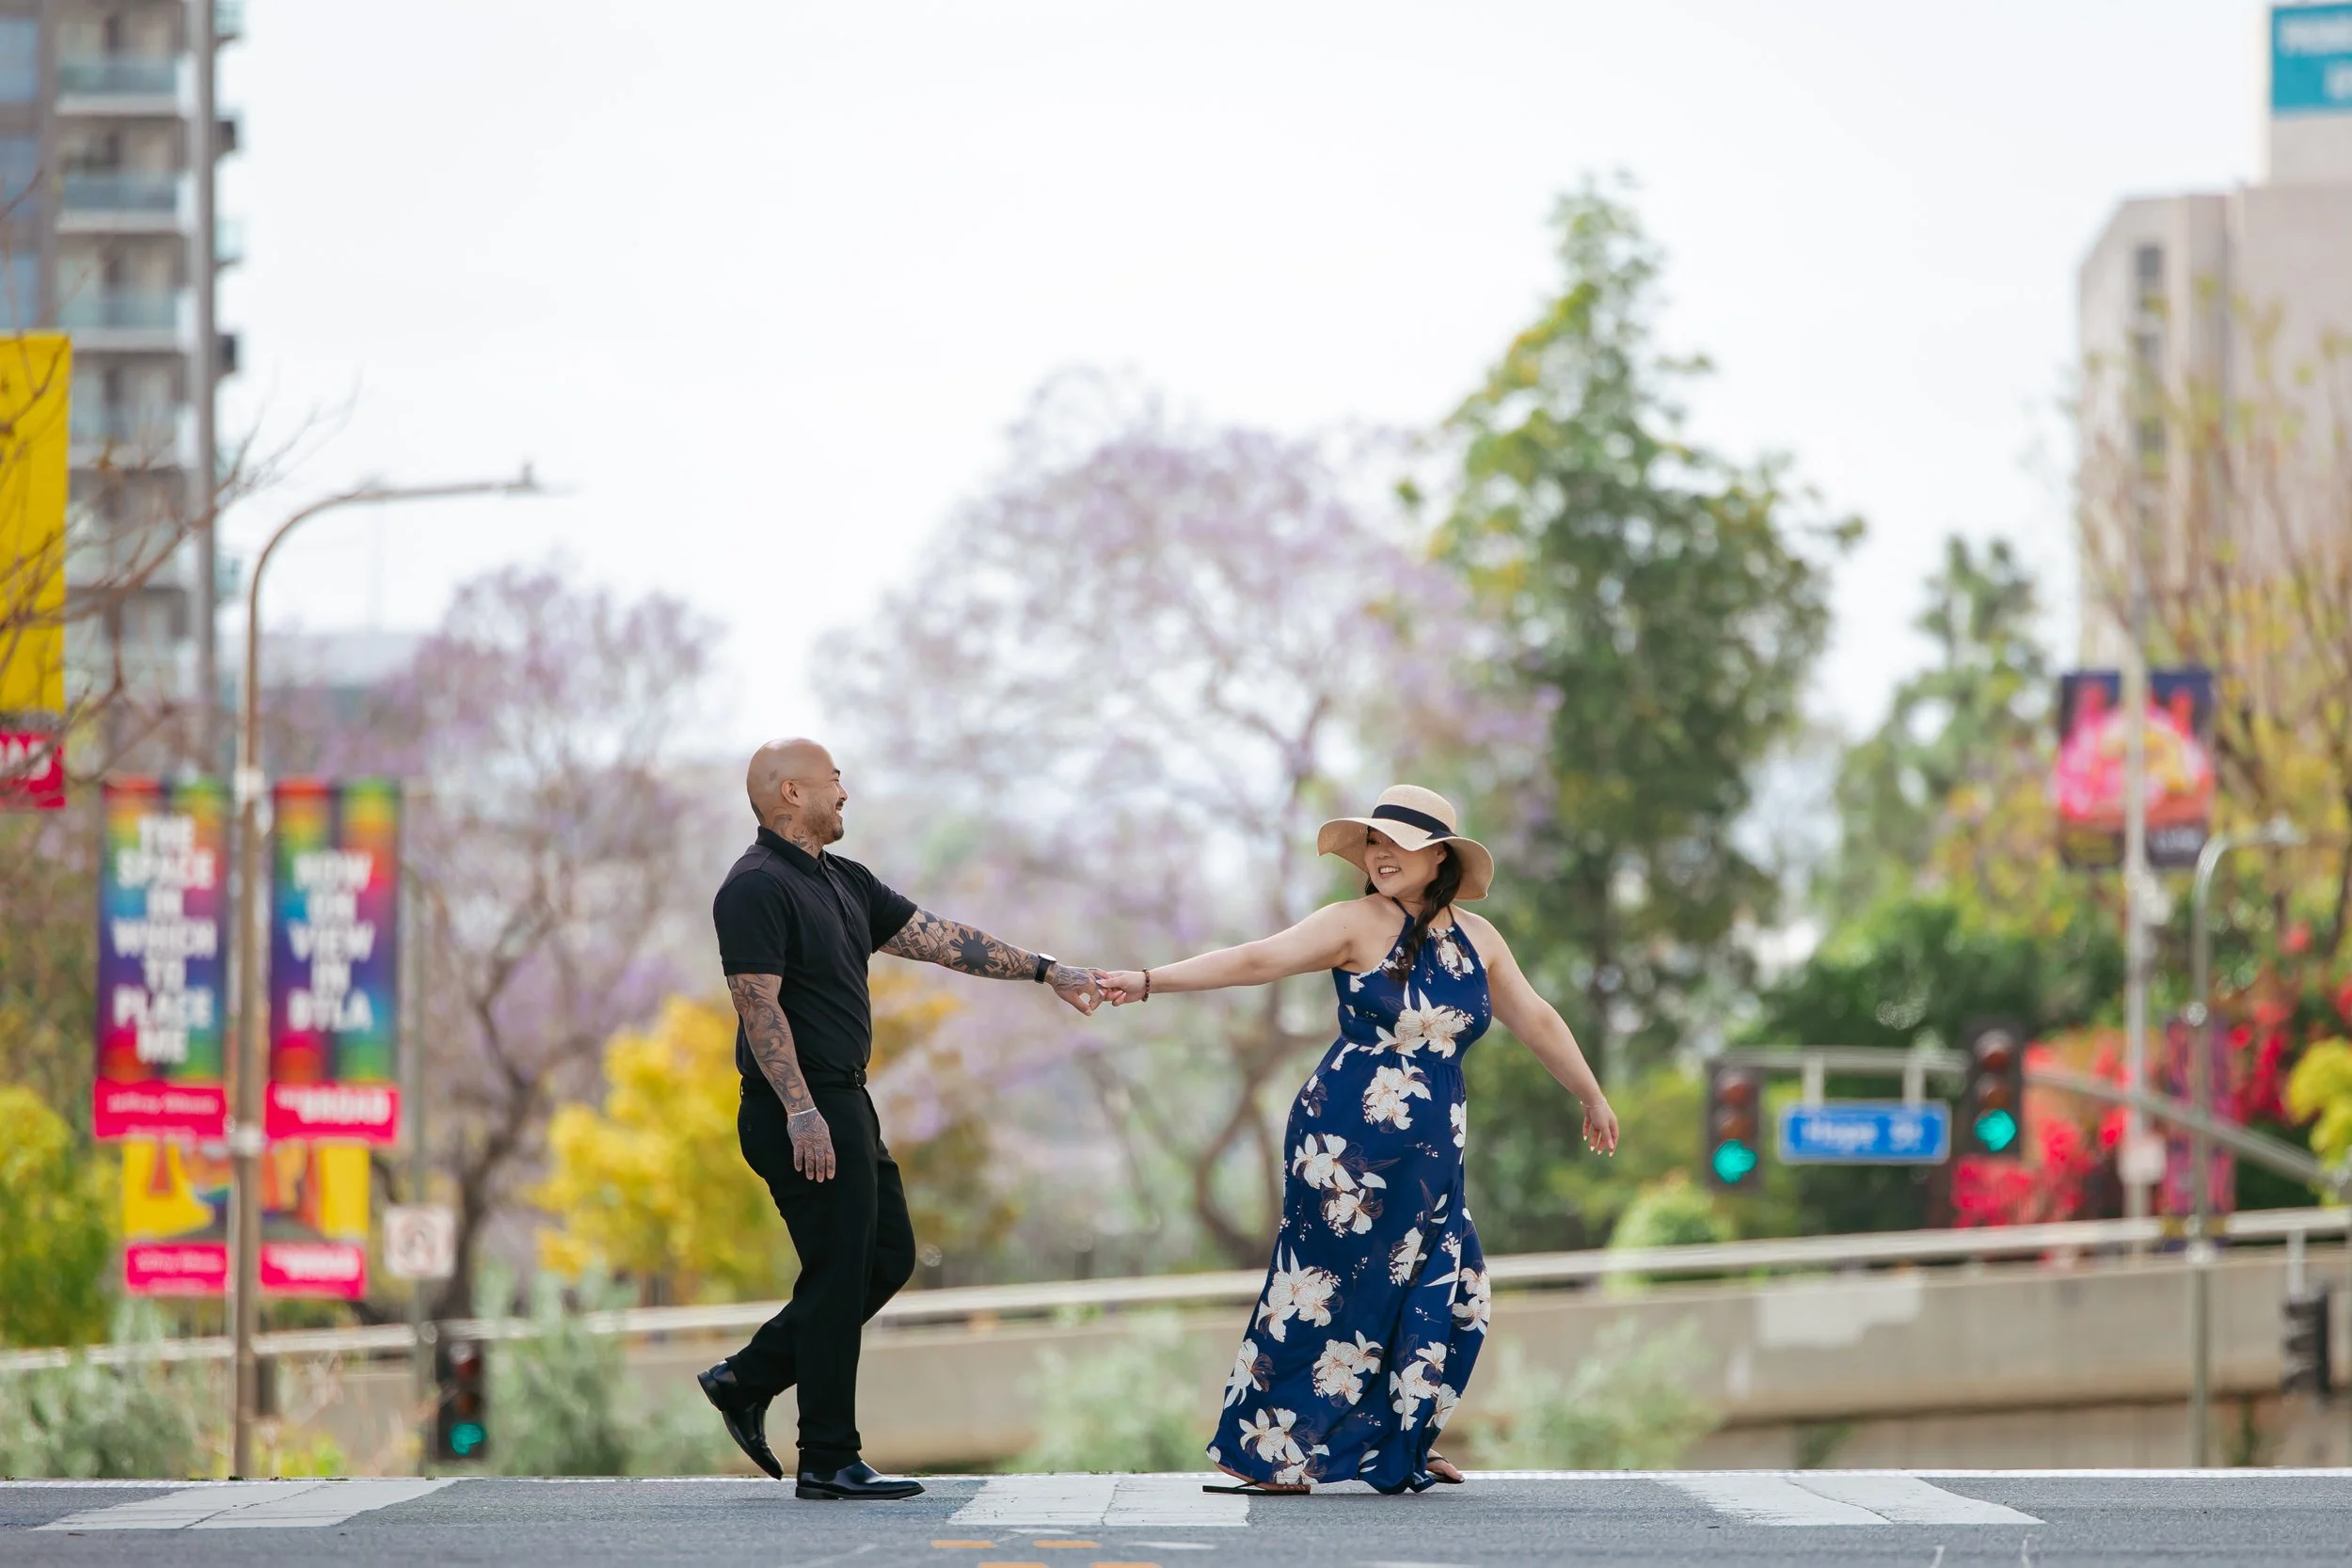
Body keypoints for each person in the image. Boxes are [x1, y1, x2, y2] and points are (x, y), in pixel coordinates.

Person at [1097, 784, 1618, 1495]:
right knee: (1324, 1290)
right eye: (1372, 841)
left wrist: (1590, 1093)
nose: (1379, 854)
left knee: (1452, 1290)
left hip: (1432, 1156)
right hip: (1345, 1146)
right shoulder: (1355, 922)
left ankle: (1397, 1441)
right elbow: (1257, 959)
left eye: (1396, 842)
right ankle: (1268, 1449)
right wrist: (1149, 980)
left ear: (1438, 857)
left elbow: (1538, 1019)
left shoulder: (1479, 939)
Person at [699, 737, 1104, 1500]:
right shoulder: (753, 886)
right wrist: (802, 1111)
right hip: (802, 1108)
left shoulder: (844, 881)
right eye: (834, 780)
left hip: (847, 1102)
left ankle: (746, 1377)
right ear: (791, 792)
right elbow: (757, 1007)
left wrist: (1048, 969)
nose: (845, 793)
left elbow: (945, 939)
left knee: (886, 1257)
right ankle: (826, 1455)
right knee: (837, 1270)